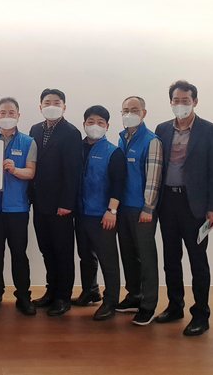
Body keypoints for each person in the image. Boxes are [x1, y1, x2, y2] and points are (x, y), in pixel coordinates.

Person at [154, 80, 213, 336]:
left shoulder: (211, 131)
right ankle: (175, 306)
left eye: (185, 100)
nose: (180, 104)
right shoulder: (162, 129)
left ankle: (201, 315)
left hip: (195, 206)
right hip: (167, 203)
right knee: (171, 258)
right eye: (176, 100)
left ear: (195, 101)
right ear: (170, 102)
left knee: (198, 261)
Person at [29, 88, 82, 317]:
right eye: (47, 102)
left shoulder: (71, 133)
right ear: (40, 106)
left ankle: (63, 297)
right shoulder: (34, 130)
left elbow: (73, 172)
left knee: (63, 252)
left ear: (64, 107)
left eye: (56, 102)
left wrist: (67, 203)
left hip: (61, 205)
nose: (51, 106)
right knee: (47, 250)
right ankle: (51, 291)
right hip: (39, 202)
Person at [0, 97, 37, 316]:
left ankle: (23, 296)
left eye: (11, 113)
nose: (7, 117)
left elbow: (31, 172)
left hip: (18, 209)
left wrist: (15, 170)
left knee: (19, 254)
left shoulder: (28, 142)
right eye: (3, 113)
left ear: (18, 116)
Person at [75, 105, 127, 321]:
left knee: (108, 260)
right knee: (85, 256)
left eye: (100, 122)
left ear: (107, 126)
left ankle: (111, 301)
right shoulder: (76, 148)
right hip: (81, 213)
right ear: (84, 124)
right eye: (90, 122)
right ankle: (90, 291)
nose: (94, 126)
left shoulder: (113, 152)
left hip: (103, 215)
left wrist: (111, 210)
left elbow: (118, 184)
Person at [116, 96, 163, 325]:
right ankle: (134, 295)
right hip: (123, 207)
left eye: (134, 109)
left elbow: (153, 178)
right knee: (128, 254)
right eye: (125, 110)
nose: (129, 113)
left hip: (142, 210)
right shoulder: (122, 138)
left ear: (144, 113)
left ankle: (148, 304)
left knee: (146, 257)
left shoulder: (151, 141)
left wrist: (148, 207)